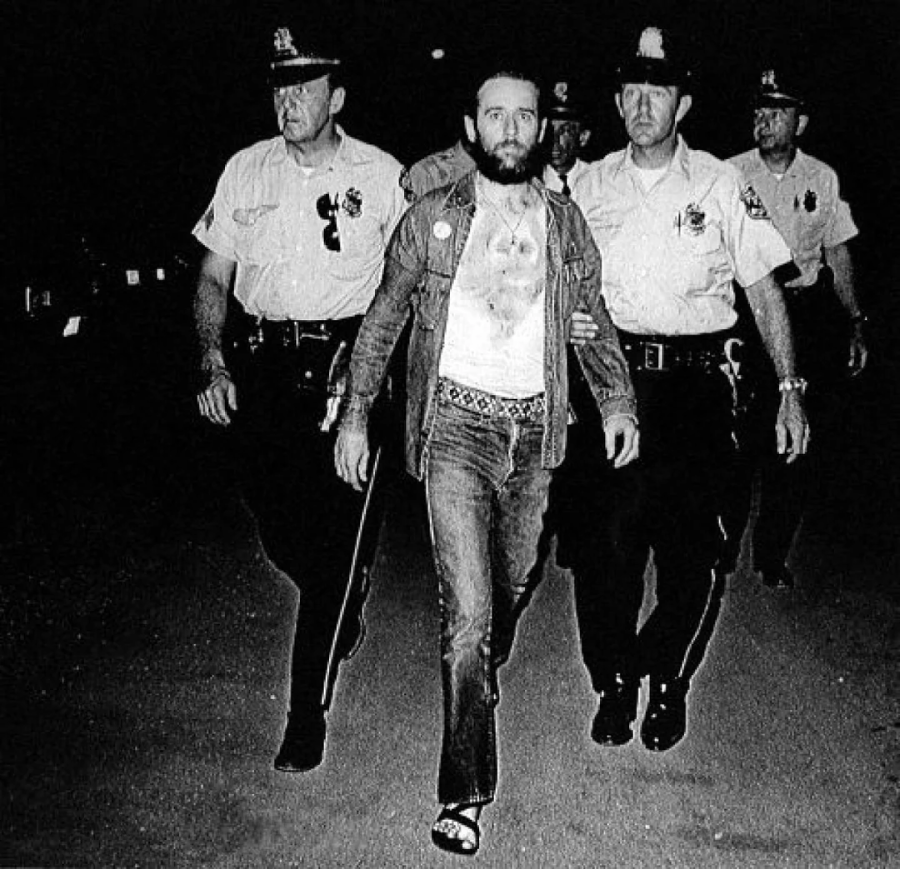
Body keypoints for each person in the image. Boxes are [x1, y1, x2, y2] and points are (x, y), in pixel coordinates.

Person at [334, 64, 639, 855]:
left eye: (525, 116)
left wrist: (617, 402)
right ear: (471, 127)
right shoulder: (433, 217)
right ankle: (464, 790)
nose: (510, 129)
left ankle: (484, 662)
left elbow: (591, 318)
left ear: (542, 130)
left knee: (507, 590)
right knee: (467, 617)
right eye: (494, 115)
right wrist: (356, 414)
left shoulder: (566, 226)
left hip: (537, 435)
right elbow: (384, 318)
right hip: (456, 431)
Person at [562, 24, 809, 755]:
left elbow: (763, 288)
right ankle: (612, 678)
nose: (643, 103)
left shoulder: (720, 183)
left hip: (698, 392)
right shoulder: (586, 184)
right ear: (617, 100)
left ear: (684, 102)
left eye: (658, 91)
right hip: (609, 388)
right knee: (603, 552)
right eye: (632, 90)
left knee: (693, 554)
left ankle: (662, 676)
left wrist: (791, 386)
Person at [191, 24, 406, 773]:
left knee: (335, 540)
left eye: (304, 87)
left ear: (336, 97)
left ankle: (304, 712)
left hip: (352, 373)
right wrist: (214, 359)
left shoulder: (381, 175)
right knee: (284, 532)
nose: (288, 100)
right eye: (281, 86)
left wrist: (365, 361)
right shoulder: (244, 170)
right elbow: (214, 277)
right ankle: (341, 589)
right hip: (266, 373)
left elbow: (402, 285)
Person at [723, 66, 868, 589]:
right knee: (736, 439)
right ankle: (721, 543)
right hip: (745, 316)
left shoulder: (822, 179)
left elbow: (837, 252)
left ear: (799, 123)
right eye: (759, 111)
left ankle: (771, 551)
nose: (764, 121)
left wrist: (854, 321)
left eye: (776, 112)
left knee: (797, 442)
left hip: (804, 315)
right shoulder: (728, 174)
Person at [542, 78, 596, 204]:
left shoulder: (598, 181)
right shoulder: (532, 183)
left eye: (564, 131)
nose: (554, 138)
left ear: (583, 137)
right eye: (550, 129)